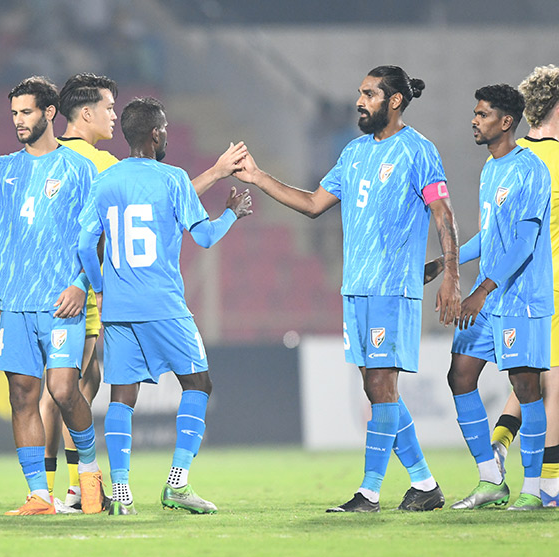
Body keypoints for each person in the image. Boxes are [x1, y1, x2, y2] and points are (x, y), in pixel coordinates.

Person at [233, 65, 462, 512]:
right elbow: (314, 204)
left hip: (392, 287)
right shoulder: (354, 152)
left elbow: (443, 213)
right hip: (356, 287)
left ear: (394, 101)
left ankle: (369, 492)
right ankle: (425, 485)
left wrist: (451, 274)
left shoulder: (418, 150)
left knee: (380, 383)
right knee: (376, 390)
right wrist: (259, 179)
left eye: (370, 94)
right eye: (360, 93)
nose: (360, 101)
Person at [40, 72, 248, 510]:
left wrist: (98, 289)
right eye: (166, 129)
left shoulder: (107, 181)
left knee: (122, 397)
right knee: (198, 383)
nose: (168, 135)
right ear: (155, 135)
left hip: (118, 310)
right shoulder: (172, 179)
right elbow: (206, 238)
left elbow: (82, 244)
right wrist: (231, 213)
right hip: (164, 305)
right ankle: (177, 482)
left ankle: (120, 492)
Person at [0, 76, 105, 515]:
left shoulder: (79, 169)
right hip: (15, 304)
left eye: (26, 112)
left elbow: (96, 236)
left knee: (65, 390)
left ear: (49, 113)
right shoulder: (1, 168)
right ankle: (39, 494)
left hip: (61, 301)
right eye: (13, 113)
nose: (18, 121)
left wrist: (81, 285)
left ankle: (89, 479)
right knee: (21, 396)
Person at [441, 84, 551, 511]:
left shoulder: (531, 169)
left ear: (506, 122)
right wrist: (446, 260)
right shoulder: (491, 169)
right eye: (474, 113)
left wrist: (481, 290)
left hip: (520, 298)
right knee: (460, 375)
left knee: (525, 387)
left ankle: (535, 489)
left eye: (482, 114)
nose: (474, 120)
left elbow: (524, 242)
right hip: (492, 296)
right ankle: (491, 479)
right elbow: (491, 235)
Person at [479, 65, 559, 507]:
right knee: (554, 387)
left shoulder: (508, 158)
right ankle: (547, 483)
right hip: (552, 288)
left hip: (513, 288)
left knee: (529, 381)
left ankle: (499, 443)